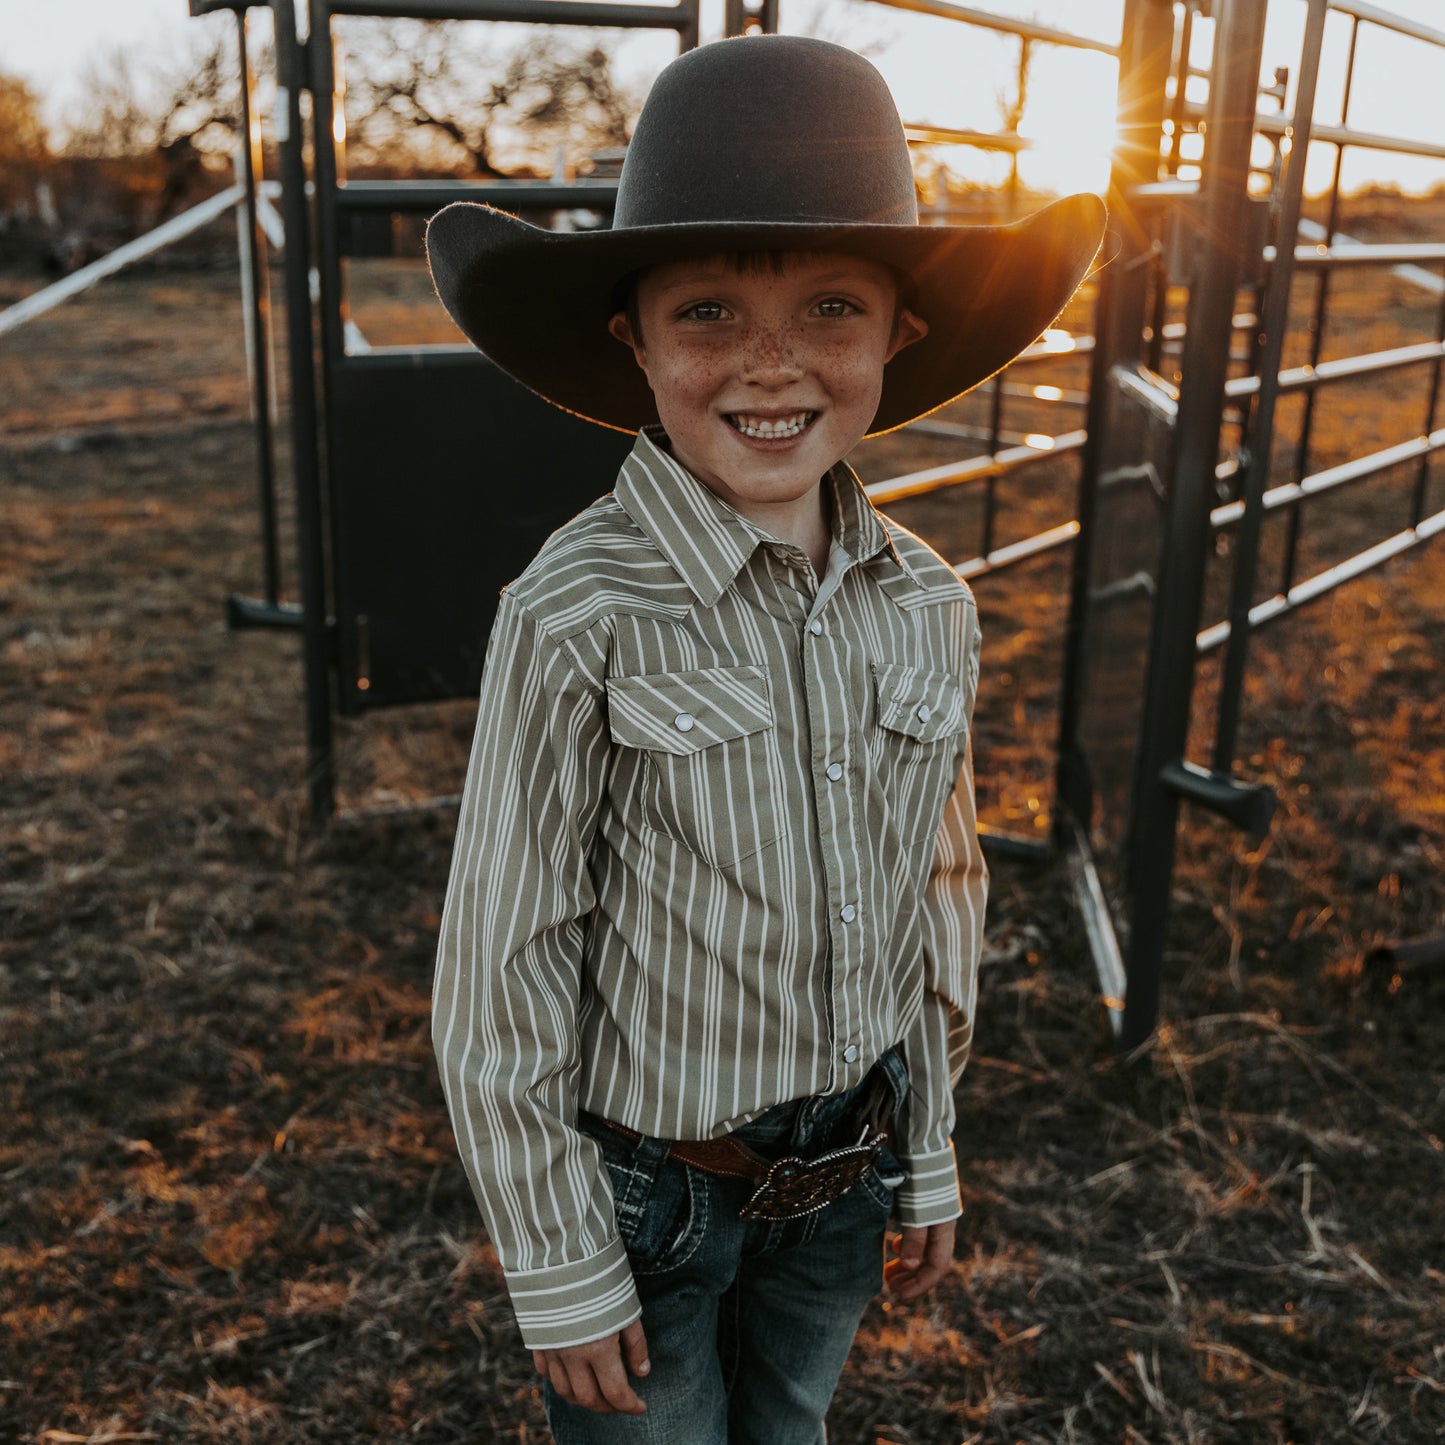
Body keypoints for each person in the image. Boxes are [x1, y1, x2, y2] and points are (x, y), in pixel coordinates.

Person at [426, 33, 1104, 1444]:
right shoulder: (575, 610)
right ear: (633, 338)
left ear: (897, 333)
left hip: (843, 1174)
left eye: (833, 306)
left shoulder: (926, 602)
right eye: (708, 313)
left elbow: (938, 887)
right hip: (643, 1193)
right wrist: (556, 1257)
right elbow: (504, 954)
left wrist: (925, 1150)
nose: (773, 363)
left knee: (788, 1422)